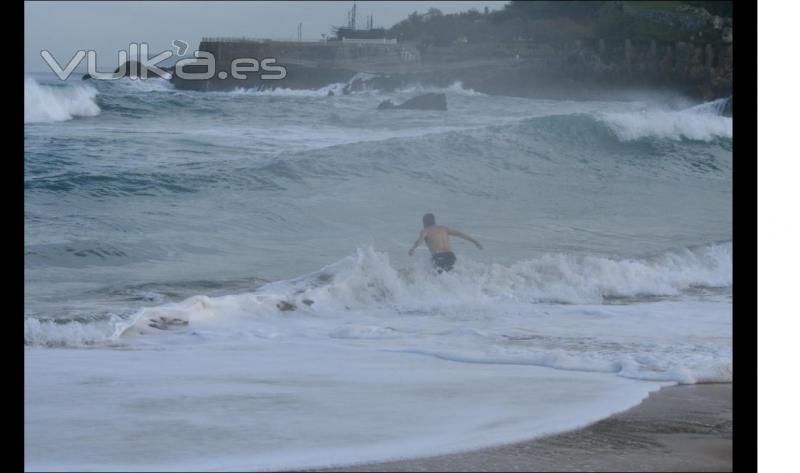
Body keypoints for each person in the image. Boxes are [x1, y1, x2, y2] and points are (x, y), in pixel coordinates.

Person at [408, 213, 482, 272]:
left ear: (424, 223)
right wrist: (475, 241)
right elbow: (460, 234)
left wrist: (413, 248)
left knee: (436, 276)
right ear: (434, 221)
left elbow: (420, 240)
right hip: (451, 257)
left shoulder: (426, 230)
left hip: (439, 257)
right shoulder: (443, 228)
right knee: (449, 277)